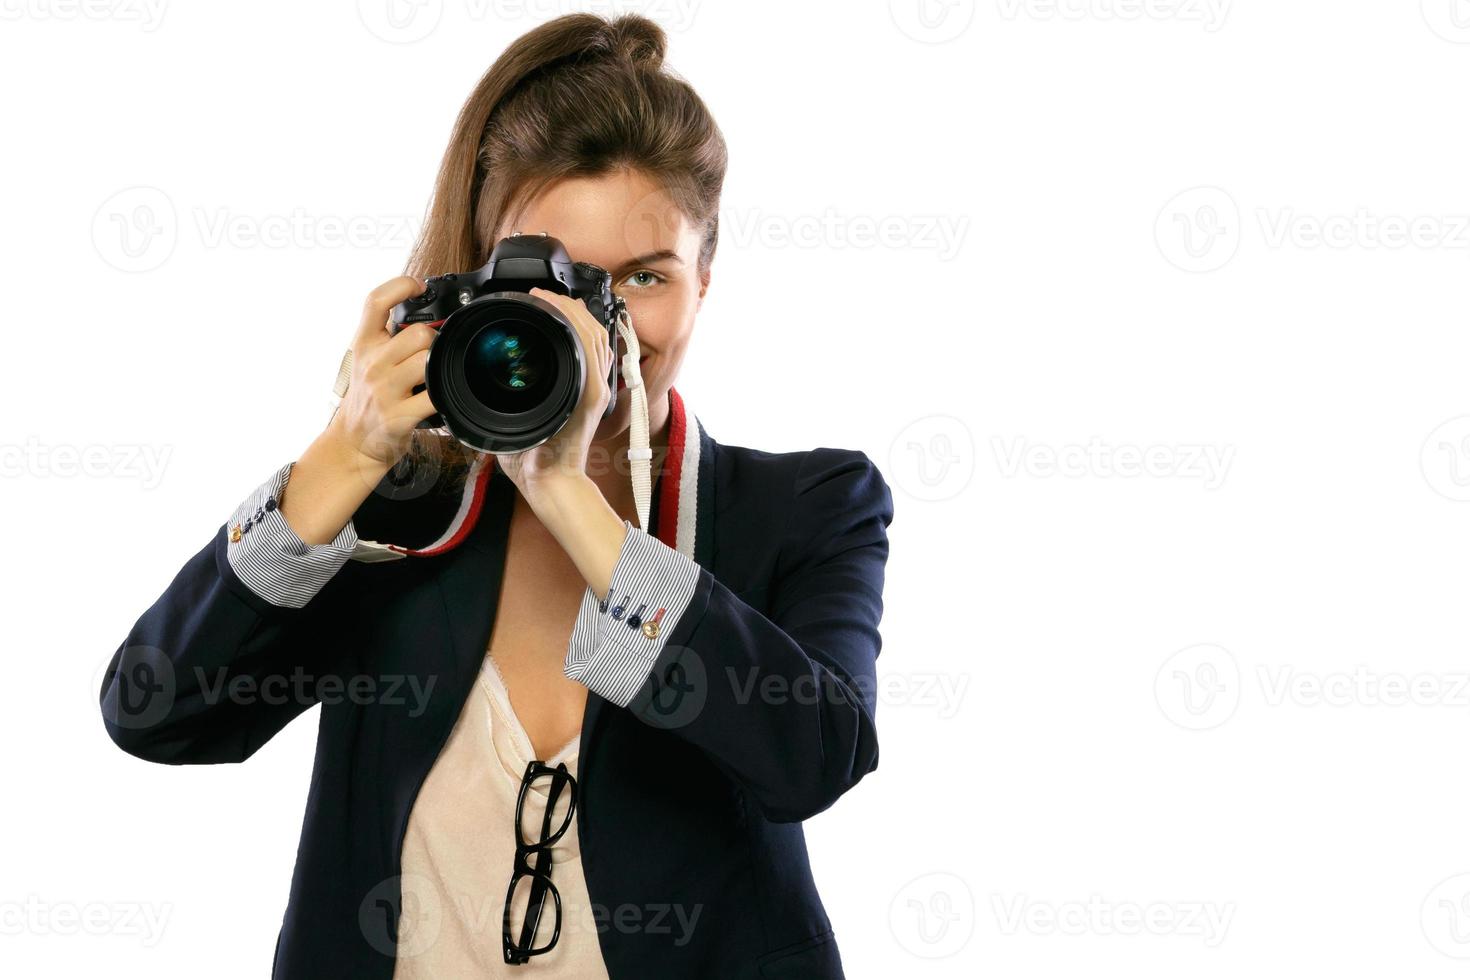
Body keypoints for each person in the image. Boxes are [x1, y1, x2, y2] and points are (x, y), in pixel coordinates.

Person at [99, 12, 894, 979]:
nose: (600, 325)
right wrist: (345, 456)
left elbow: (814, 758)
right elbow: (156, 713)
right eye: (559, 281)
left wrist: (565, 492)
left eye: (643, 277)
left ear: (707, 279)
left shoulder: (807, 504)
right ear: (481, 278)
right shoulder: (404, 513)